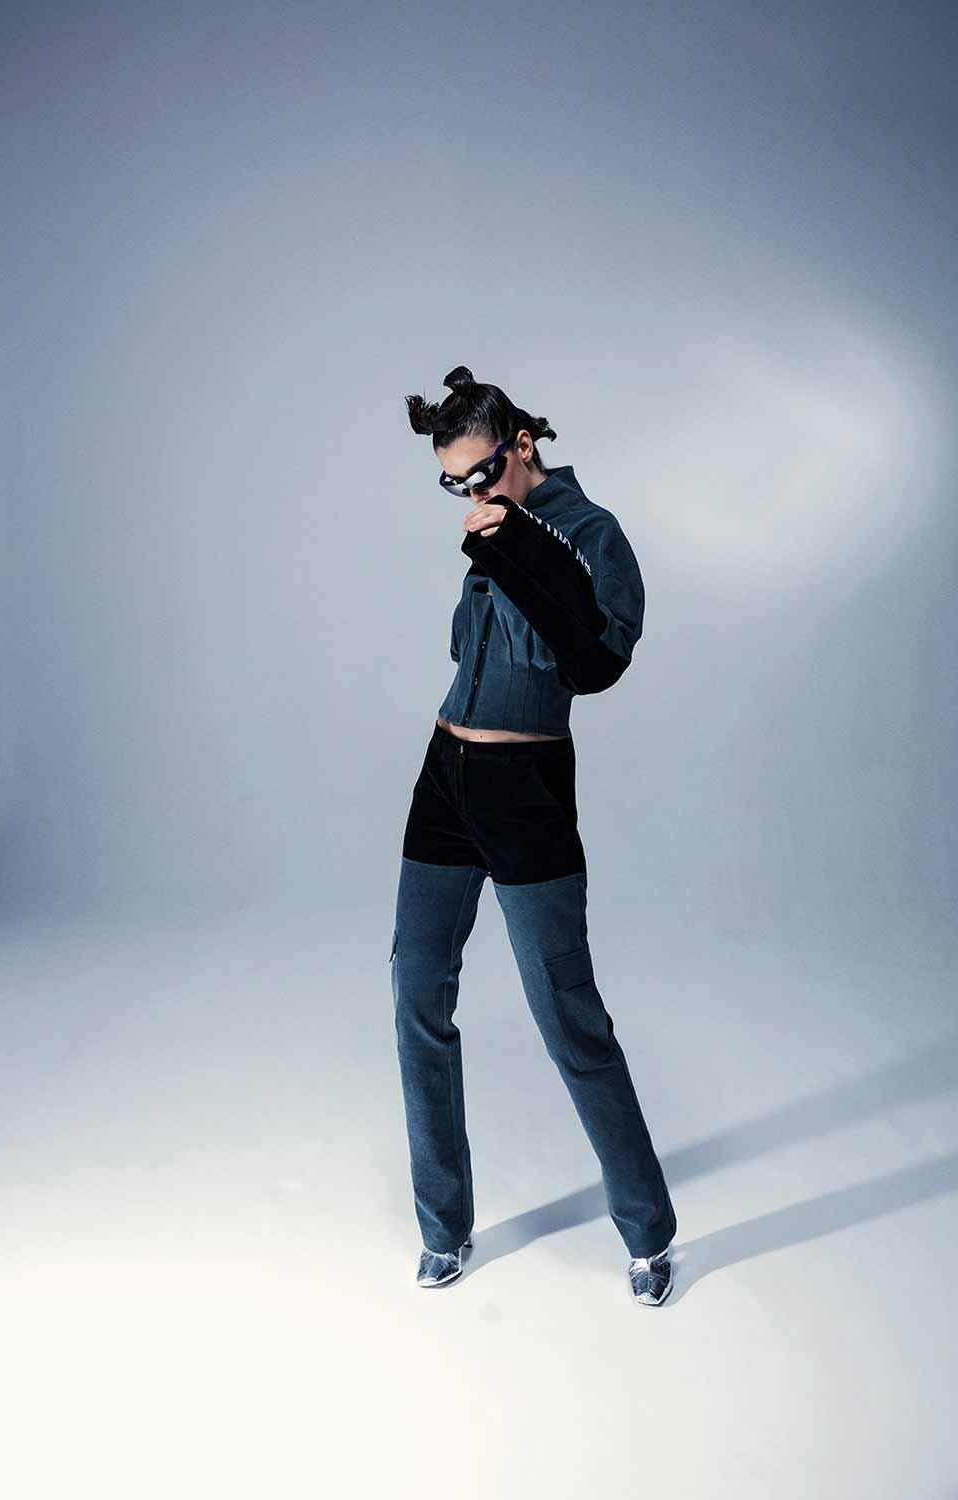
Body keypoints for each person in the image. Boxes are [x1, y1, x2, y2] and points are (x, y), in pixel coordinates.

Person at [391, 365, 677, 1305]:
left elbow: (596, 661)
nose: (470, 495)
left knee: (568, 1015)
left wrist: (514, 539)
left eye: (481, 474)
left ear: (522, 446)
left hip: (527, 789)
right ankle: (443, 1228)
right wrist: (496, 529)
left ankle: (648, 1234)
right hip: (445, 776)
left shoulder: (592, 534)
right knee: (415, 993)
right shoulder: (492, 522)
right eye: (453, 485)